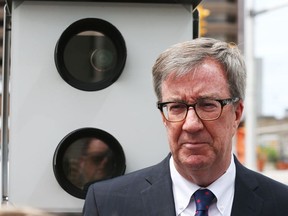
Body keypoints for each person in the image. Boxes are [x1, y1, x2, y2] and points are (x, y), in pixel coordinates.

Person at [83, 37, 288, 216]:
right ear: (164, 117)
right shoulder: (107, 203)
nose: (191, 124)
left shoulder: (281, 205)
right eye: (177, 107)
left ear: (236, 113)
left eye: (208, 105)